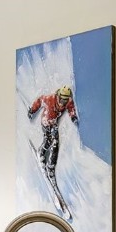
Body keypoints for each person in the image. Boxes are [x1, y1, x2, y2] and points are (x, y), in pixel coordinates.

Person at [27, 86, 79, 218]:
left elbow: (71, 108)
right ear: (58, 96)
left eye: (65, 100)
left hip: (54, 123)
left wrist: (73, 117)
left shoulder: (67, 102)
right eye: (61, 99)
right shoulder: (50, 99)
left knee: (56, 144)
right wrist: (32, 111)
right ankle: (41, 153)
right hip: (46, 122)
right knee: (49, 140)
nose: (63, 102)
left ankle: (50, 166)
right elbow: (39, 101)